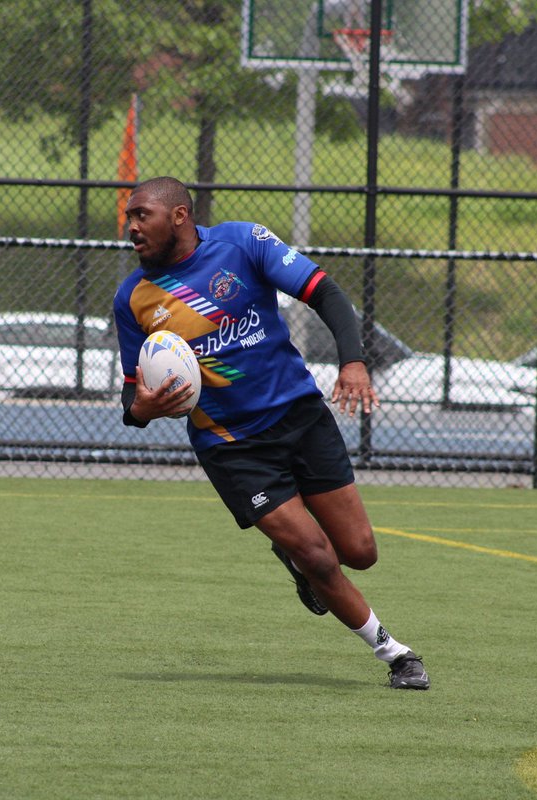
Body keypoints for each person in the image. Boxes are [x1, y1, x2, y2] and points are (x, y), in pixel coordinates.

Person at [112, 176, 429, 690]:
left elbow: (325, 291)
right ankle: (396, 654)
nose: (131, 227)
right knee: (318, 555)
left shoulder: (243, 242)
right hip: (233, 447)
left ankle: (297, 560)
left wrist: (353, 361)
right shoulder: (133, 298)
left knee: (360, 552)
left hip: (301, 416)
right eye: (129, 217)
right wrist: (141, 409)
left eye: (141, 215)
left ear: (179, 216)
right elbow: (133, 398)